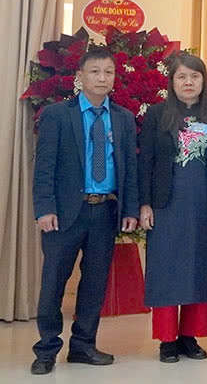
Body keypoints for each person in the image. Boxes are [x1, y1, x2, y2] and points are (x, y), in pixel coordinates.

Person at [30, 47, 139, 375]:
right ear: (79, 77)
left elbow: (129, 169)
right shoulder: (57, 115)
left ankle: (83, 345)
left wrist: (130, 209)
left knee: (94, 283)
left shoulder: (123, 118)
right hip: (64, 213)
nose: (102, 78)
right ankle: (46, 349)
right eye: (94, 71)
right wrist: (44, 208)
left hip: (104, 212)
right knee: (53, 282)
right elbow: (44, 166)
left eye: (108, 72)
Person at [138, 53, 207, 363]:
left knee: (200, 268)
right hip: (166, 205)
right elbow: (145, 160)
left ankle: (190, 336)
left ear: (203, 81)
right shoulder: (157, 114)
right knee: (166, 270)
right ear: (172, 82)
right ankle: (167, 340)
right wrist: (144, 203)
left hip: (204, 204)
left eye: (195, 76)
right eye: (182, 76)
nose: (188, 82)